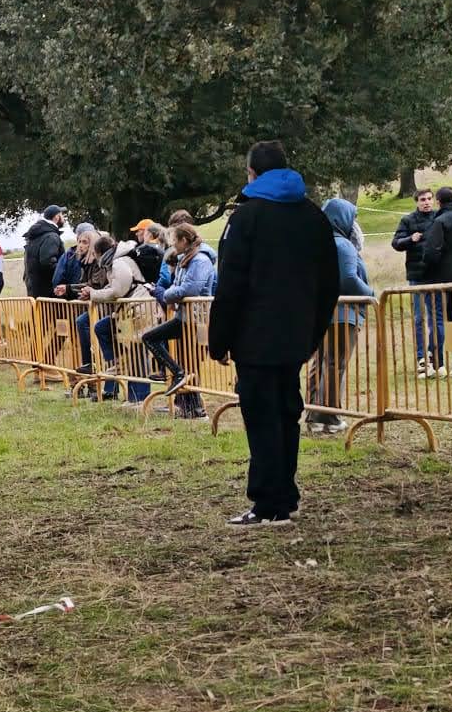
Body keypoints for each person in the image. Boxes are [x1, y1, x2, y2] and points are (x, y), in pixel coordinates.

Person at [207, 140, 340, 527]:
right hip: (295, 336)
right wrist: (312, 334)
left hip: (255, 337)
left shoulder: (245, 218)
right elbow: (328, 283)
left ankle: (268, 503)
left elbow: (230, 284)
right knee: (286, 415)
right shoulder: (313, 216)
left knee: (263, 418)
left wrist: (219, 339)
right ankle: (285, 496)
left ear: (252, 173)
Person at [306, 201, 376, 435]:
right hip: (343, 313)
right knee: (336, 364)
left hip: (322, 313)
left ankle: (314, 415)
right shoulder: (342, 244)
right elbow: (347, 278)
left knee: (321, 363)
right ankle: (330, 417)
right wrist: (370, 294)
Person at [141, 217, 215, 416]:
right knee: (158, 343)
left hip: (196, 319)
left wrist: (166, 295)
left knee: (190, 363)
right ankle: (188, 402)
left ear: (184, 240)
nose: (172, 245)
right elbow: (177, 285)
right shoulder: (187, 258)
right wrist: (172, 294)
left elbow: (190, 288)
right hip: (184, 317)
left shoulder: (200, 260)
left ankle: (194, 406)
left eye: (175, 241)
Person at [80, 231, 154, 401]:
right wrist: (93, 293)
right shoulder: (114, 262)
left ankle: (139, 397)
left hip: (138, 309)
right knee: (102, 328)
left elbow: (118, 291)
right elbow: (115, 287)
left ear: (99, 253)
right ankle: (118, 362)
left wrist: (94, 294)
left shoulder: (119, 263)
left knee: (137, 351)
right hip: (128, 310)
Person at [392, 188, 440, 371]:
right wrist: (410, 239)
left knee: (436, 317)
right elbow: (396, 243)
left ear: (433, 200)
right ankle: (421, 357)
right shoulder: (408, 220)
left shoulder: (439, 218)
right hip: (417, 276)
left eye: (429, 199)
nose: (426, 202)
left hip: (436, 275)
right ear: (417, 202)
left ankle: (434, 354)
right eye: (422, 199)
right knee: (420, 317)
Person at [422, 185, 452, 370]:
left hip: (440, 278)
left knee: (437, 318)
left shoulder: (440, 221)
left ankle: (438, 363)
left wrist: (428, 266)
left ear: (438, 201)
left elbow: (431, 252)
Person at [51, 225, 96, 378]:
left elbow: (57, 279)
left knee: (77, 342)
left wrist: (67, 290)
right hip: (78, 304)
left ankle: (81, 379)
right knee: (78, 343)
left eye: (85, 241)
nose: (81, 245)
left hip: (78, 304)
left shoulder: (73, 256)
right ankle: (79, 379)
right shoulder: (73, 256)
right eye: (80, 241)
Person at [23, 206, 65, 299]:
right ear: (56, 217)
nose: (64, 218)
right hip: (48, 291)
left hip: (35, 290)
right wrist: (64, 274)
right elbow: (48, 262)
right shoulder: (51, 236)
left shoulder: (36, 235)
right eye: (62, 215)